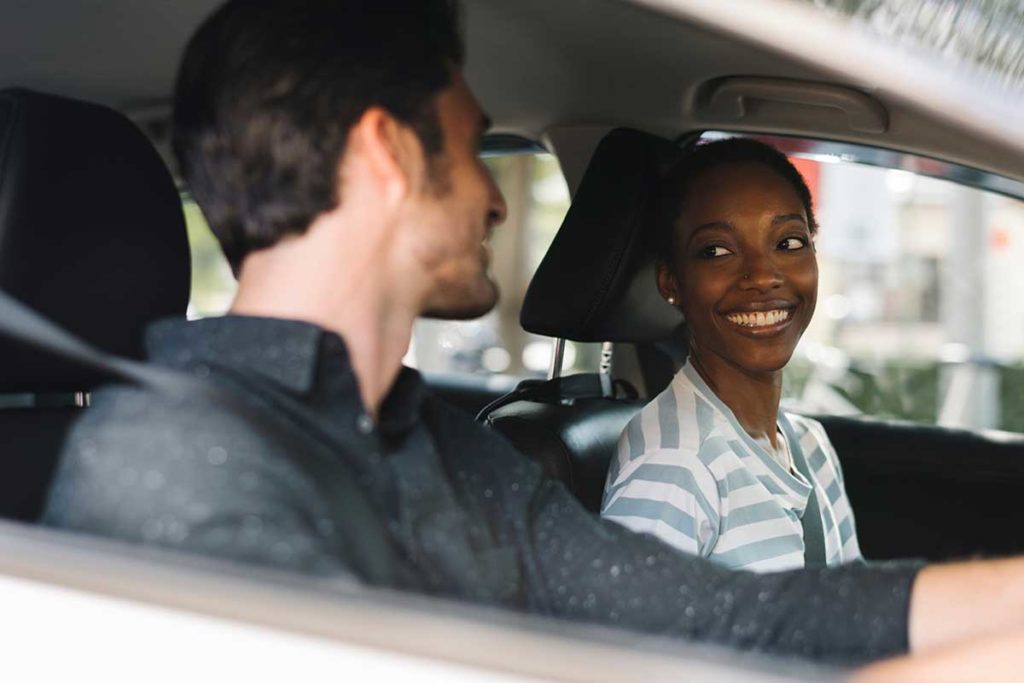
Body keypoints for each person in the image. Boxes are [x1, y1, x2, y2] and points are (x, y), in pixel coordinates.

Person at [37, 0, 1024, 668]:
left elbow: (728, 614)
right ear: (389, 154)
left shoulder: (442, 449)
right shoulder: (167, 467)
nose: (494, 205)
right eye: (470, 147)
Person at [603, 138, 861, 572]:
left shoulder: (811, 445)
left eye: (790, 242)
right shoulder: (674, 467)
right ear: (671, 283)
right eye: (717, 251)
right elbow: (623, 638)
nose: (762, 276)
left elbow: (859, 612)